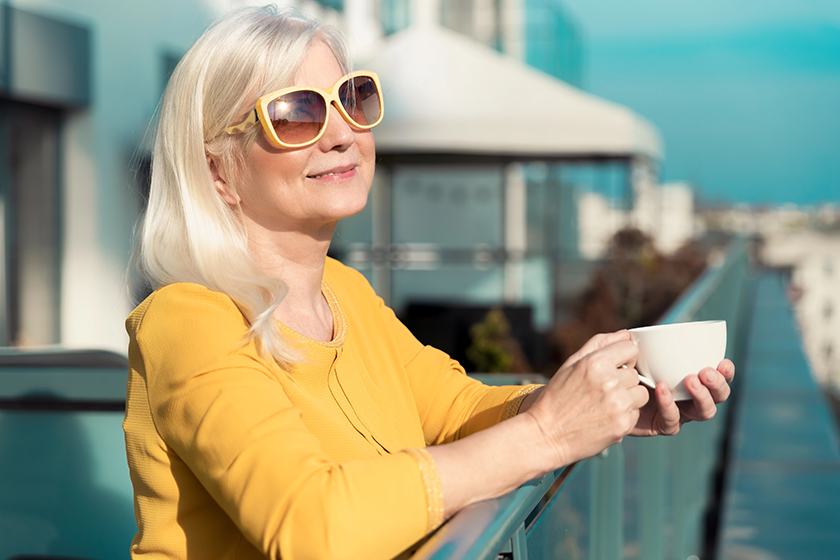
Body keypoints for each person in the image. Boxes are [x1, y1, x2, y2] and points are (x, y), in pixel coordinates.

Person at [124, 6, 735, 560]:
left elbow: (454, 408)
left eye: (351, 99)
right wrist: (547, 434)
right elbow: (311, 526)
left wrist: (604, 399)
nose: (342, 133)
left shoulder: (346, 294)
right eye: (297, 113)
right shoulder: (187, 319)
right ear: (217, 171)